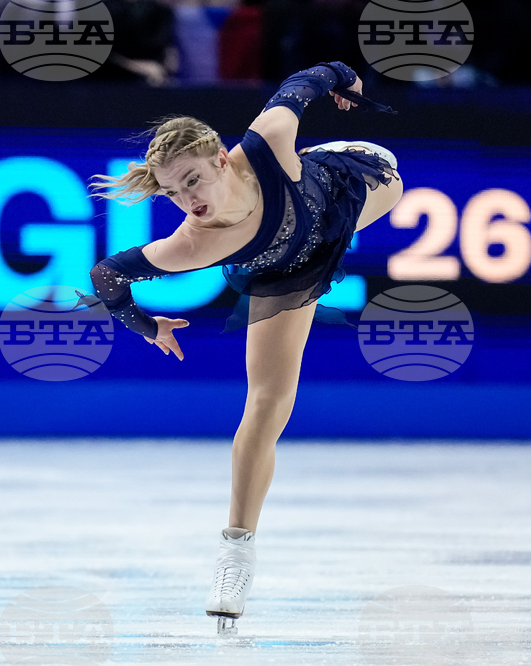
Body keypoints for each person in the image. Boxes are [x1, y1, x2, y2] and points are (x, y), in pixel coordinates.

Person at [80, 61, 403, 632]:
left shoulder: (269, 138)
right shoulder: (192, 244)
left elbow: (310, 77)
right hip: (285, 274)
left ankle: (330, 196)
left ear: (221, 159)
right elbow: (107, 276)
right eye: (174, 192)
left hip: (348, 189)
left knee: (391, 177)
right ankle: (236, 553)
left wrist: (348, 83)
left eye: (194, 181)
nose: (187, 200)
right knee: (267, 405)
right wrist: (144, 326)